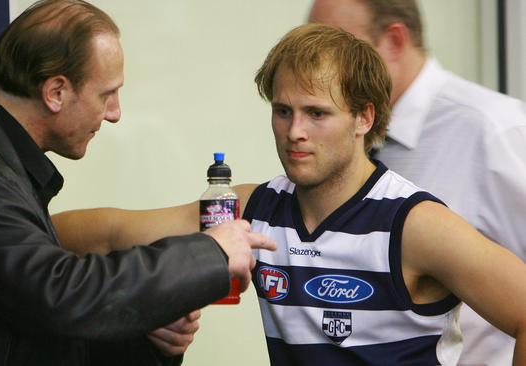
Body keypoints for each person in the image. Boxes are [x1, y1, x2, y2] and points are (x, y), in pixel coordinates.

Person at [52, 23, 526, 365]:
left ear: (364, 118)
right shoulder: (253, 210)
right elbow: (111, 232)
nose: (294, 132)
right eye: (283, 111)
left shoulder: (414, 224)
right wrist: (14, 236)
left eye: (317, 114)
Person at [0, 0, 277, 365]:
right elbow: (62, 295)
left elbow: (27, 329)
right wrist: (209, 253)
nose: (115, 113)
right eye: (107, 94)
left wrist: (146, 339)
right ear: (55, 92)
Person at [307, 1, 526, 364]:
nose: (318, 64)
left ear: (393, 42)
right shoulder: (340, 139)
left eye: (336, 46)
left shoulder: (495, 131)